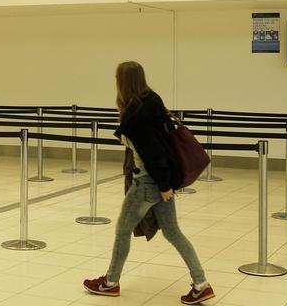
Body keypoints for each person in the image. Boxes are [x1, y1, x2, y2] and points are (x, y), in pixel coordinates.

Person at [83, 61, 214, 305]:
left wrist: (163, 186)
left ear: (122, 82)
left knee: (122, 230)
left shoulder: (136, 116)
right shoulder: (152, 100)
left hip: (147, 183)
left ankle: (110, 282)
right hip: (160, 182)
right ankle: (201, 284)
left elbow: (154, 154)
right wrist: (166, 185)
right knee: (173, 232)